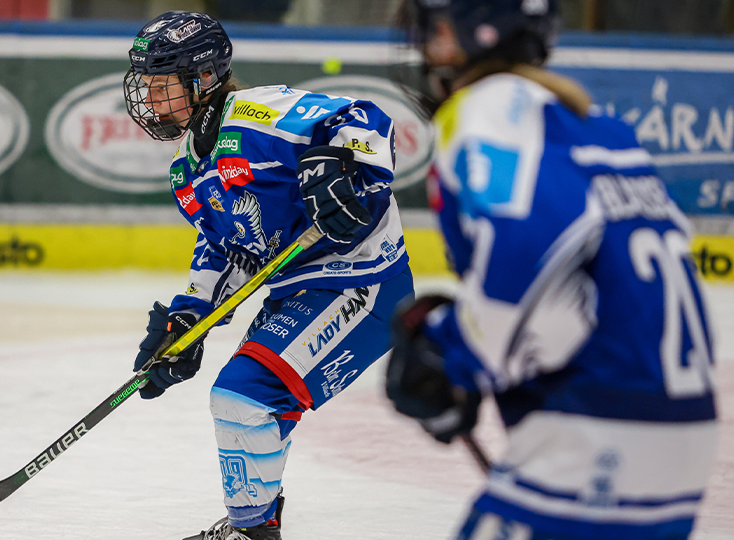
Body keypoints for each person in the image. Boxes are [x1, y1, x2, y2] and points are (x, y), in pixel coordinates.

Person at [384, 1, 718, 539]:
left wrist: (449, 354)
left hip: (594, 438)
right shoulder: (597, 126)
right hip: (679, 440)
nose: (426, 43)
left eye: (437, 27)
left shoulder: (489, 110)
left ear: (475, 33)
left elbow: (538, 279)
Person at [123, 10, 415, 540]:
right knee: (245, 403)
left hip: (361, 280)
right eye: (146, 85)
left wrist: (344, 170)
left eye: (162, 85)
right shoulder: (187, 169)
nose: (150, 99)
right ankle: (254, 526)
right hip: (297, 291)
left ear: (205, 77)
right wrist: (188, 320)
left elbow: (367, 120)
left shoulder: (258, 114)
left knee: (246, 395)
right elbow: (221, 248)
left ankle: (253, 532)